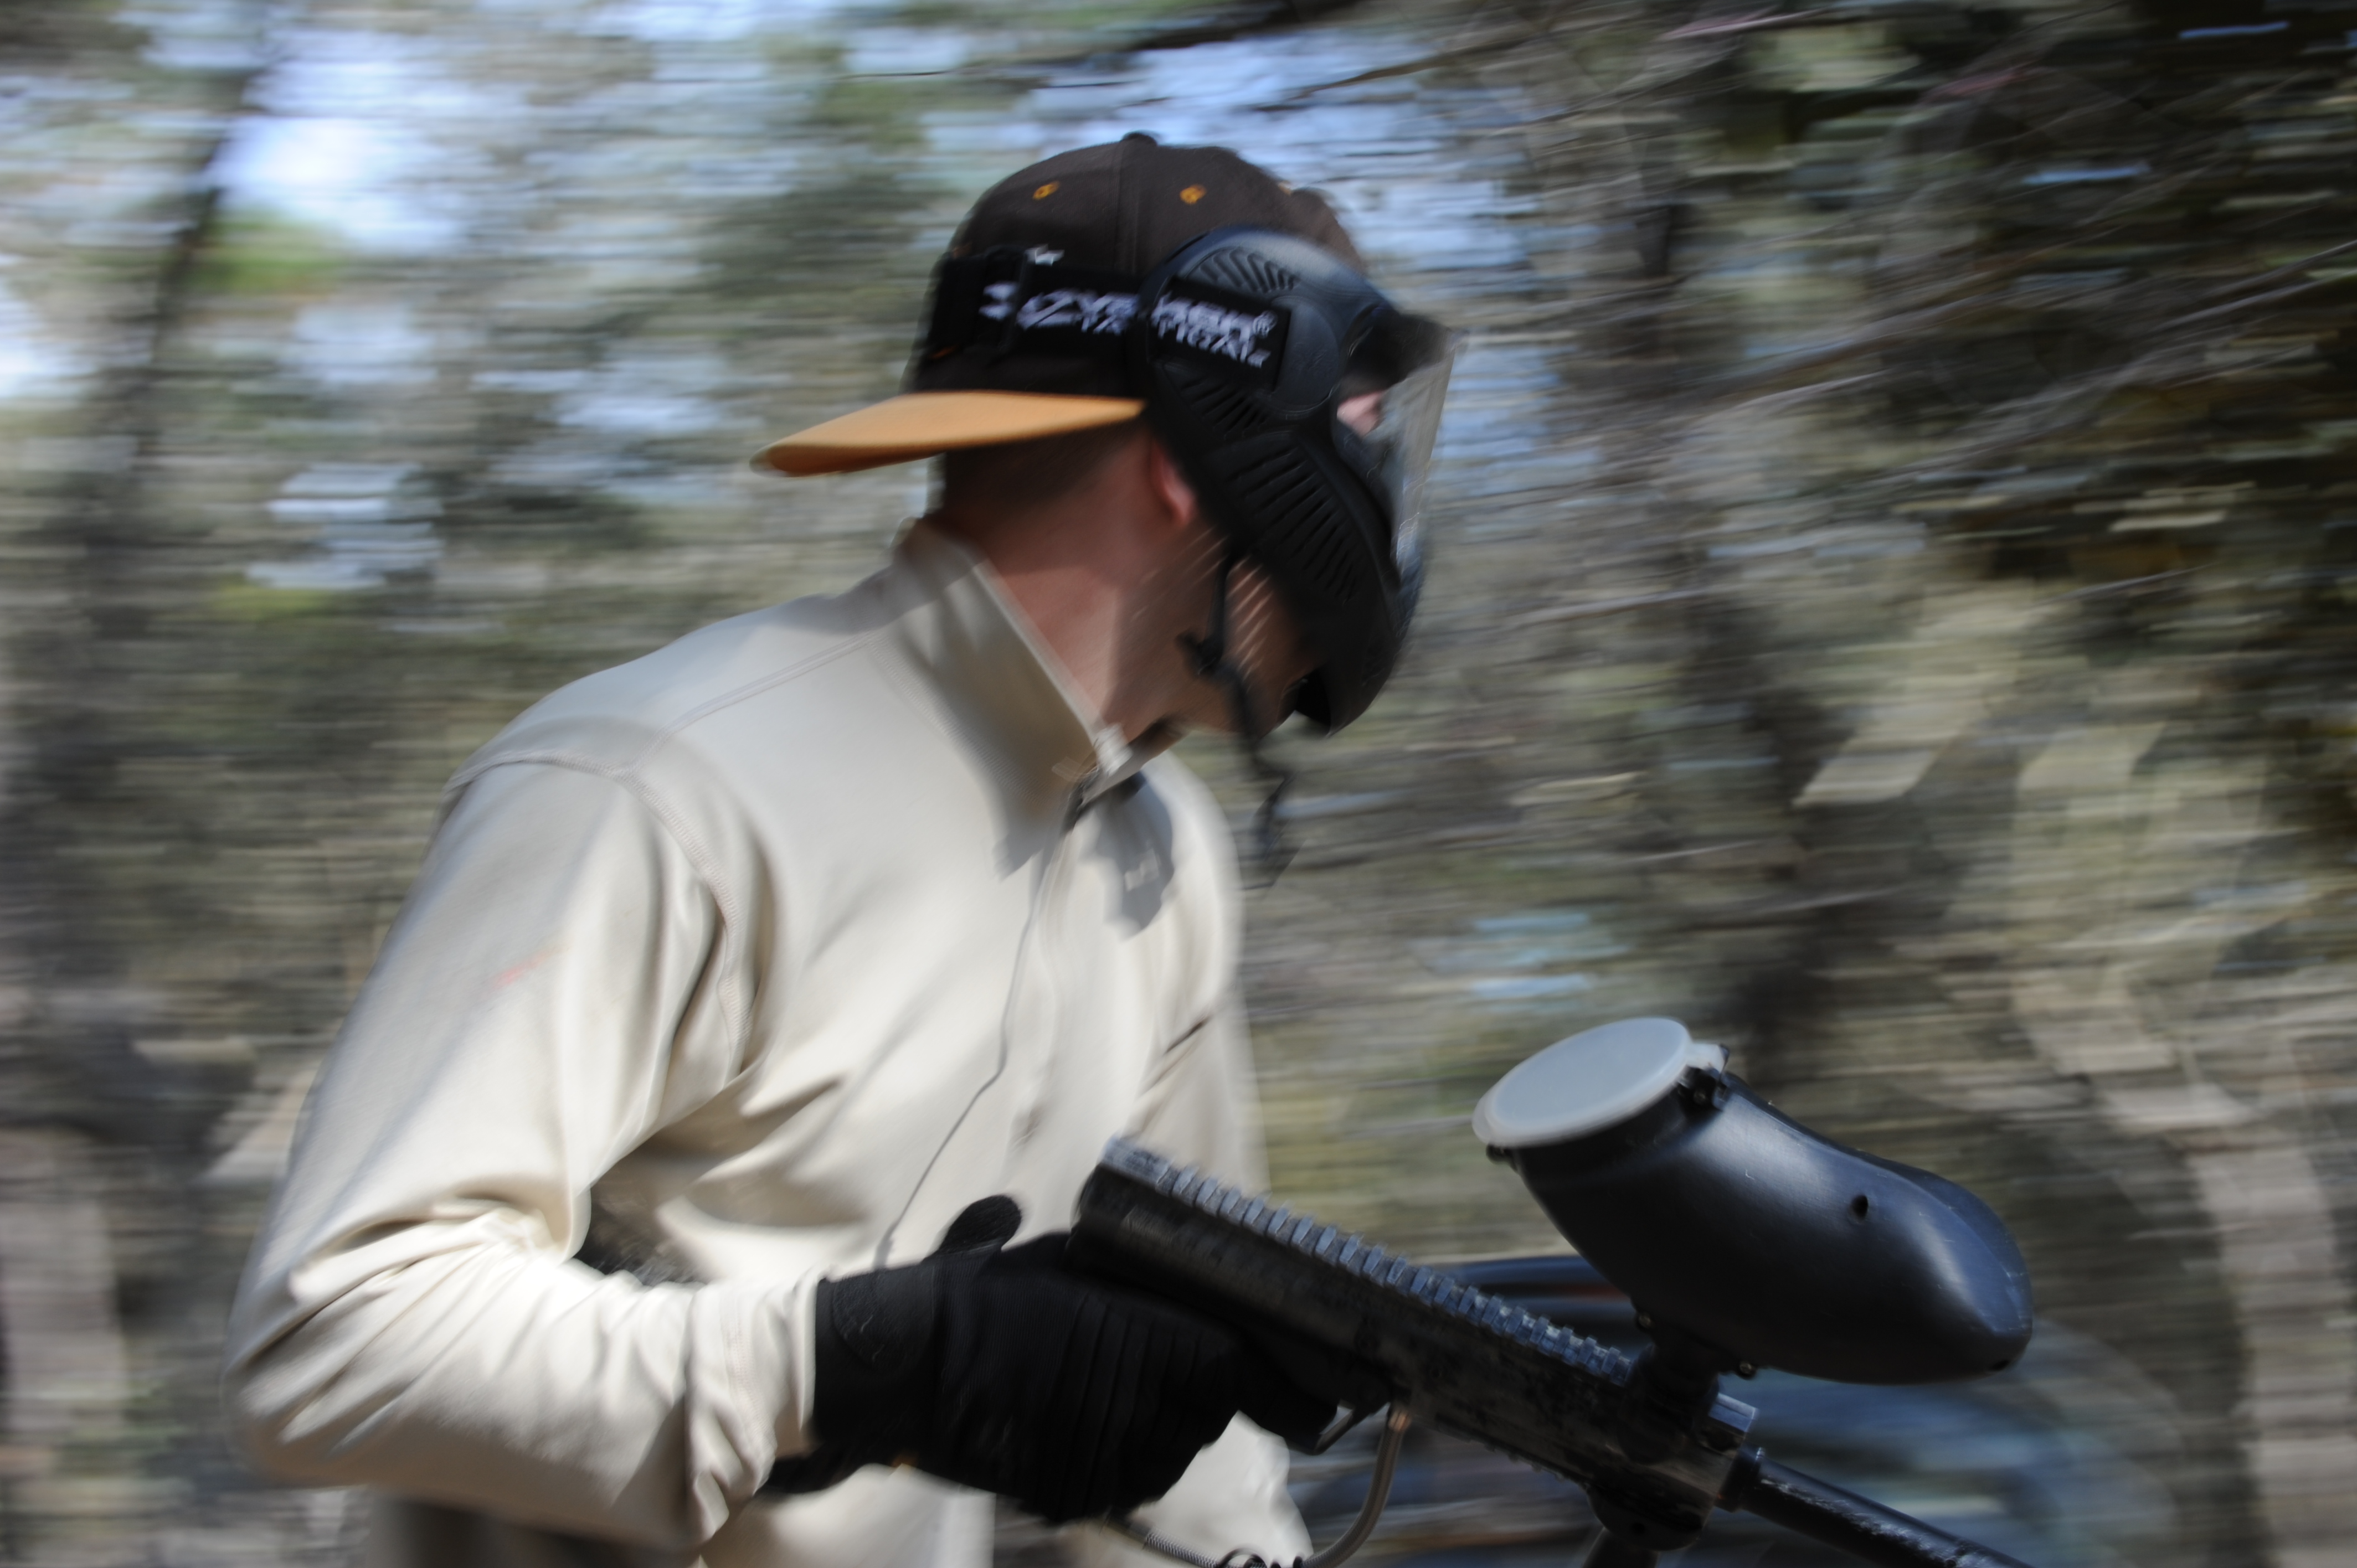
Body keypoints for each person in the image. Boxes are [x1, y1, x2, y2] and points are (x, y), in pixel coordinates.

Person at [221, 133, 1455, 1568]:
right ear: (1195, 455)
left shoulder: (1162, 852)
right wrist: (853, 1366)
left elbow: (1187, 1430)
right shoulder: (662, 787)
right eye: (1360, 429)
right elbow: (334, 1340)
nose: (1378, 489)